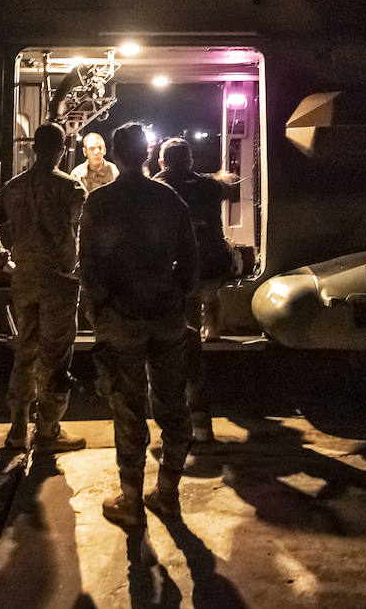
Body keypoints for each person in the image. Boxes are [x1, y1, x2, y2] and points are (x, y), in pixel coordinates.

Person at [79, 121, 199, 527]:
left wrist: (100, 314)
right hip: (166, 318)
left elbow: (89, 269)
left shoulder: (99, 203)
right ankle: (167, 495)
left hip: (122, 321)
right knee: (173, 408)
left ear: (114, 154)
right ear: (148, 154)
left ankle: (130, 500)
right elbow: (191, 262)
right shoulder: (169, 200)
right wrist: (177, 301)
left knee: (129, 412)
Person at [0, 121, 88, 453]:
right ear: (62, 150)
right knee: (56, 355)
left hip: (23, 278)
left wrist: (1, 258)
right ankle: (49, 431)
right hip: (60, 281)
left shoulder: (14, 187)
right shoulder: (71, 189)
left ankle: (17, 429)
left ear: (34, 148)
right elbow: (87, 231)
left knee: (25, 351)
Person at [152, 137, 241, 443]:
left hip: (179, 271)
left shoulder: (157, 187)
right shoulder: (207, 185)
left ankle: (181, 423)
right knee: (209, 295)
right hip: (213, 265)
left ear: (162, 162)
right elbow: (229, 184)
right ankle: (202, 425)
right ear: (189, 161)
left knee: (183, 347)